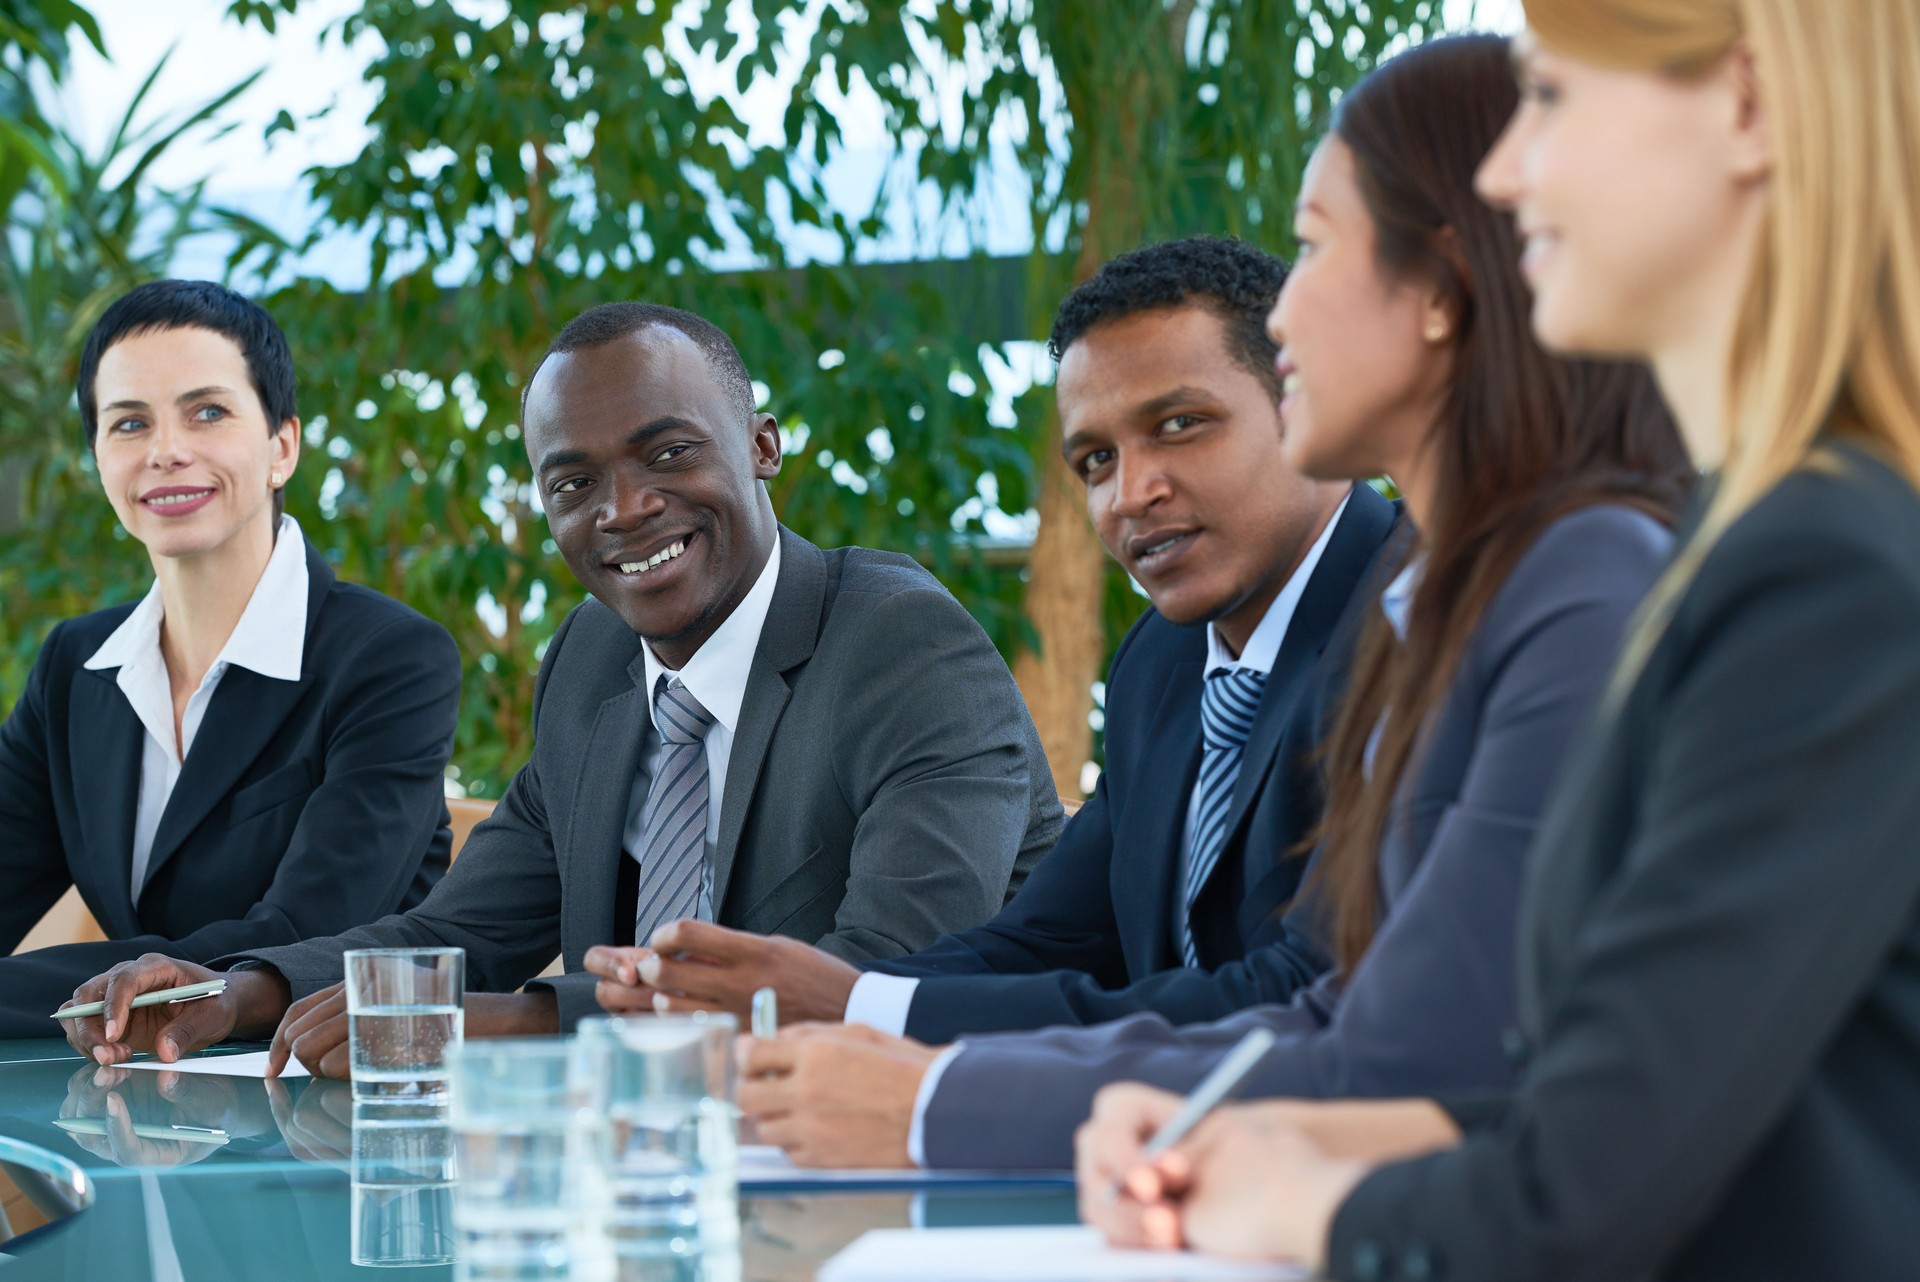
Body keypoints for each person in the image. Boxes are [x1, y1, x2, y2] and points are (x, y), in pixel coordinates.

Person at [733, 33, 1693, 1172]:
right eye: (1092, 461)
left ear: (1442, 286)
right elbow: (1319, 1015)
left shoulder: (1559, 589)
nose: (1287, 318)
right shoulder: (1190, 659)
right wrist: (859, 1004)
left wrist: (935, 1095)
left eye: (1315, 249)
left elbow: (1391, 1047)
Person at [1078, 3, 1920, 1279]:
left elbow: (1581, 1193)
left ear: (1748, 109)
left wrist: (1292, 1204)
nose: (1512, 177)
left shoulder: (1821, 572)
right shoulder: (1753, 548)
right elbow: (1629, 1098)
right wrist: (1270, 1133)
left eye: (1556, 102)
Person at [63, 301, 1063, 1074]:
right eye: (574, 483)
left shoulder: (901, 644)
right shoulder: (592, 659)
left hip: (932, 1165)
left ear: (762, 446)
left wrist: (527, 1019)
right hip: (655, 1172)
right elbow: (464, 930)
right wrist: (242, 991)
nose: (625, 510)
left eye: (668, 452)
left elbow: (879, 979)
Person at [581, 237, 1398, 1042]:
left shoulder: (1416, 628)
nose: (1131, 494)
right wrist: (792, 992)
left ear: (1311, 402)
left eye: (1181, 424)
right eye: (1096, 460)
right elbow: (1048, 940)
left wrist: (856, 1007)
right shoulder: (1165, 661)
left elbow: (1311, 991)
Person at [0, 280, 460, 1039]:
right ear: (98, 461)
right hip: (136, 1105)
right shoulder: (74, 668)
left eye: (207, 412)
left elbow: (296, 938)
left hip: (329, 1108)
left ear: (283, 447)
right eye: (128, 424)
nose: (166, 450)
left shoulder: (390, 659)